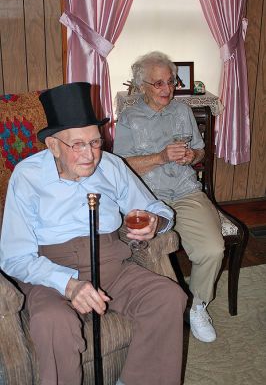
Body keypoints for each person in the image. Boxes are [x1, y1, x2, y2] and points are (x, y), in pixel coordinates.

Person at [0, 82, 187, 385]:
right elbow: (14, 258)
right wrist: (68, 284)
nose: (90, 155)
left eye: (96, 142)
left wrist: (156, 221)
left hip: (112, 263)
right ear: (53, 146)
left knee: (168, 297)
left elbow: (158, 209)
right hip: (52, 274)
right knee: (52, 322)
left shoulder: (111, 166)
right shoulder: (27, 176)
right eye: (77, 145)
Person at [113, 51, 225, 343]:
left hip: (186, 192)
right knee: (148, 255)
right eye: (158, 83)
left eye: (171, 82)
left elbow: (200, 151)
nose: (167, 89)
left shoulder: (182, 111)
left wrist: (192, 156)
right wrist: (161, 157)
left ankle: (197, 306)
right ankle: (157, 309)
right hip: (147, 196)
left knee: (213, 249)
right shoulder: (129, 118)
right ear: (142, 87)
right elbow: (120, 165)